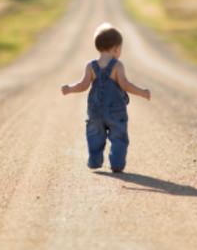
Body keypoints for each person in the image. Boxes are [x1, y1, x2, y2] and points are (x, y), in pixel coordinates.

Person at [61, 23, 151, 173]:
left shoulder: (91, 66)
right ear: (116, 48)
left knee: (95, 135)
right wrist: (142, 92)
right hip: (116, 111)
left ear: (98, 47)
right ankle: (116, 165)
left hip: (95, 110)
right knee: (118, 137)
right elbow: (125, 85)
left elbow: (83, 85)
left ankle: (95, 161)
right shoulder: (117, 66)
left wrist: (69, 89)